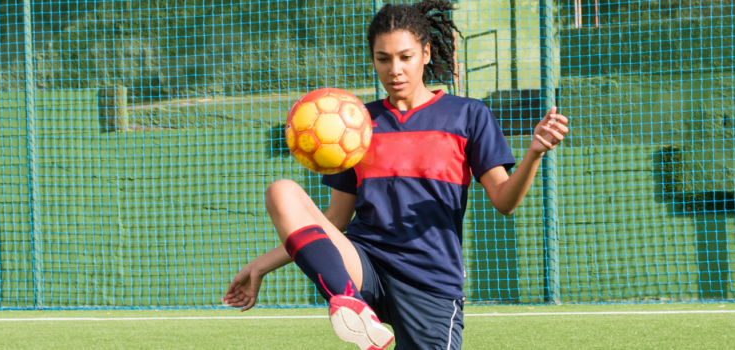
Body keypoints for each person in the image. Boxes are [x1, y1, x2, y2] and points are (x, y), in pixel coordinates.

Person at [220, 1, 570, 349]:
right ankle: (350, 305)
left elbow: (505, 201)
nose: (395, 70)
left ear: (427, 53)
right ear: (372, 60)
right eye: (383, 59)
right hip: (364, 267)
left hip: (429, 281)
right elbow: (334, 220)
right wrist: (259, 267)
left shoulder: (469, 115)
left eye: (405, 57)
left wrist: (534, 152)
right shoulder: (354, 123)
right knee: (282, 190)